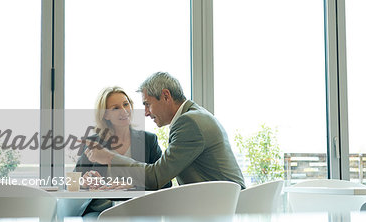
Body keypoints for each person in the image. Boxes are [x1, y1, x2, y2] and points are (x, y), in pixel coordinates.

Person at [84, 72, 245, 190]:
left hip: (220, 207)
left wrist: (110, 157)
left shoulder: (188, 123)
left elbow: (156, 177)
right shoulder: (195, 115)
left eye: (148, 104)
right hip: (220, 202)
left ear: (166, 96)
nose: (146, 112)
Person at [74, 86, 171, 216]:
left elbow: (165, 183)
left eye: (126, 104)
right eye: (116, 108)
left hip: (138, 210)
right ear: (105, 114)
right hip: (100, 211)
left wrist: (133, 185)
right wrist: (84, 182)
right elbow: (72, 182)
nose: (124, 111)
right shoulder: (94, 143)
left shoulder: (148, 140)